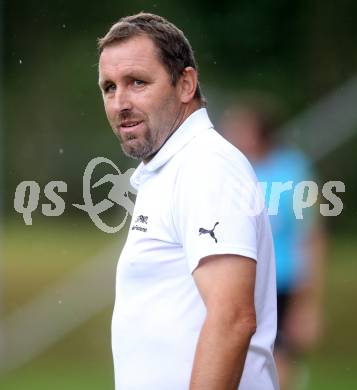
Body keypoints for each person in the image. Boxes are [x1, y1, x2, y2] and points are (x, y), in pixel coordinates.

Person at [97, 14, 278, 389]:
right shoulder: (173, 167)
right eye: (109, 87)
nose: (120, 103)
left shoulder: (206, 166)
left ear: (185, 84)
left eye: (137, 82)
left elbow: (232, 318)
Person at [220, 95, 326, 390]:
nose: (232, 134)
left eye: (241, 128)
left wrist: (308, 305)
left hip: (283, 282)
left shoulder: (292, 171)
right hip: (240, 281)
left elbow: (311, 236)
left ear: (260, 132)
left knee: (279, 364)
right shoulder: (233, 168)